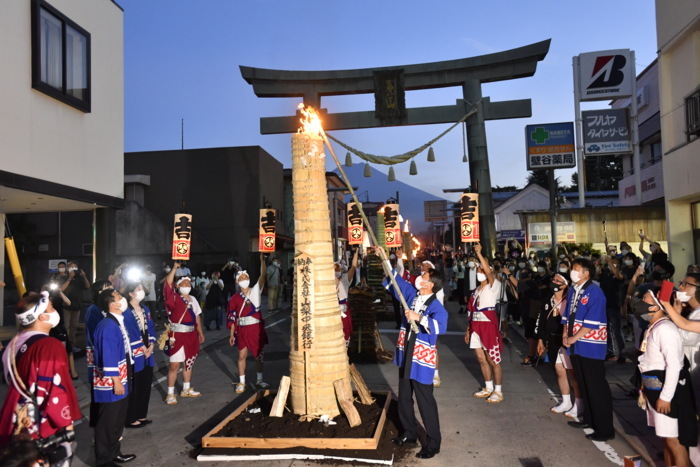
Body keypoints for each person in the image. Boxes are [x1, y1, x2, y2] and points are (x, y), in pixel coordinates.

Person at [0, 292, 81, 449]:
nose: (54, 310)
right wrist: (66, 426)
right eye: (51, 307)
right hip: (40, 424)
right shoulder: (49, 345)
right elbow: (54, 388)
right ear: (42, 317)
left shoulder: (14, 342)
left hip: (15, 415)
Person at [384, 262, 448, 460]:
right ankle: (410, 433)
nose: (420, 277)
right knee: (404, 397)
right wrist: (384, 260)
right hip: (406, 353)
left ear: (431, 284)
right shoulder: (412, 295)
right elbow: (397, 282)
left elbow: (440, 326)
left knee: (425, 400)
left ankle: (433, 443)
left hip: (421, 357)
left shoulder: (437, 306)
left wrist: (418, 317)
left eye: (424, 276)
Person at [639, 290, 695, 467]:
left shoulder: (665, 329)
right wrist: (643, 389)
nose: (640, 302)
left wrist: (665, 397)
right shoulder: (653, 327)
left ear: (656, 305)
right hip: (654, 388)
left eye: (645, 299)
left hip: (666, 392)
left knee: (675, 443)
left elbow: (674, 365)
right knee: (665, 440)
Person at [562, 258, 614, 442]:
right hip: (576, 345)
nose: (572, 271)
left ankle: (605, 429)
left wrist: (573, 337)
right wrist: (565, 335)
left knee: (596, 387)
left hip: (591, 346)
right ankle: (589, 420)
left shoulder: (595, 291)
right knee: (583, 384)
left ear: (586, 273)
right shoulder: (573, 290)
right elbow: (567, 316)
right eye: (572, 268)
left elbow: (592, 322)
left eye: (576, 269)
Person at [93, 289, 136, 466]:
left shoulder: (118, 321)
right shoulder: (108, 325)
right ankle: (103, 459)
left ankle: (114, 452)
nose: (123, 298)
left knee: (118, 419)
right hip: (111, 382)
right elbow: (108, 355)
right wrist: (116, 381)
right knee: (108, 422)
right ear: (113, 304)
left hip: (122, 376)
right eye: (119, 297)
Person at [660, 273, 700, 464]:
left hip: (695, 371)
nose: (681, 287)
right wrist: (675, 309)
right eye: (681, 283)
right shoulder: (688, 311)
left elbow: (685, 335)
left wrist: (667, 305)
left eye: (686, 284)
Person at [535, 274, 582, 416]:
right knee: (559, 370)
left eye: (557, 281)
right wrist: (541, 340)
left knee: (572, 373)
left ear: (565, 284)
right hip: (553, 340)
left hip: (567, 341)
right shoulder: (547, 300)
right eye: (553, 280)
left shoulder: (570, 300)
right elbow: (542, 320)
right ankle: (566, 401)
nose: (554, 283)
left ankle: (579, 404)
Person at [466, 243, 505, 403]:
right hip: (475, 326)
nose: (479, 272)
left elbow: (489, 271)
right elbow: (470, 313)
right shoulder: (475, 291)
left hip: (488, 325)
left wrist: (479, 254)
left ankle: (498, 390)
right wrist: (468, 330)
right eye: (478, 270)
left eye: (481, 269)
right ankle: (488, 387)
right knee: (481, 359)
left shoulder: (493, 286)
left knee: (492, 359)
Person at [162, 263, 205, 405]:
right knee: (174, 365)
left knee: (189, 363)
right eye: (183, 282)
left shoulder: (193, 299)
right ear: (178, 286)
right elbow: (168, 284)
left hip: (191, 335)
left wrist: (200, 332)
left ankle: (186, 388)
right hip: (177, 335)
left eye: (188, 282)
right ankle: (170, 393)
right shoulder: (174, 298)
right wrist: (174, 268)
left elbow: (197, 316)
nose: (187, 284)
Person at [228, 254, 269, 393]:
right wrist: (231, 334)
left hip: (256, 328)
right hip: (242, 329)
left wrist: (263, 261)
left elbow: (263, 275)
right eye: (240, 278)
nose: (243, 279)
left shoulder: (256, 291)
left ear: (249, 279)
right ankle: (241, 382)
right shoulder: (234, 298)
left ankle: (259, 379)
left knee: (259, 356)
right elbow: (232, 317)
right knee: (241, 355)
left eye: (245, 277)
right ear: (237, 282)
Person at [123, 282, 156, 428]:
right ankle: (131, 417)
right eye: (139, 289)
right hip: (135, 351)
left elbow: (152, 327)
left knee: (145, 383)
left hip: (147, 350)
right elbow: (129, 331)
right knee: (134, 385)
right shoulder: (126, 311)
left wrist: (151, 344)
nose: (142, 291)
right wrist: (142, 346)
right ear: (130, 294)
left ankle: (142, 414)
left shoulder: (145, 309)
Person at [85, 280, 113, 429]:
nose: (110, 289)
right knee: (99, 395)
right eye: (106, 288)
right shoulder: (94, 310)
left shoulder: (107, 308)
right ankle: (98, 429)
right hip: (99, 356)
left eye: (110, 287)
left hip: (109, 355)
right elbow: (96, 334)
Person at [55, 261, 90, 352]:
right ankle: (63, 345)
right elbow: (61, 289)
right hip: (66, 306)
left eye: (75, 267)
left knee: (74, 327)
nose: (73, 268)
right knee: (66, 326)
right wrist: (70, 278)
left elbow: (87, 286)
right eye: (71, 267)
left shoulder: (80, 278)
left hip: (77, 305)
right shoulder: (63, 277)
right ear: (67, 268)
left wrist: (84, 276)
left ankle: (72, 345)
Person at [336, 249, 358, 347]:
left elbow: (353, 267)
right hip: (330, 309)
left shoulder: (345, 279)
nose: (336, 270)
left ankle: (345, 353)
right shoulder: (326, 281)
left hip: (343, 309)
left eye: (337, 269)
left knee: (346, 331)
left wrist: (356, 252)